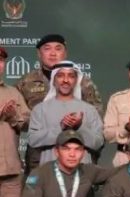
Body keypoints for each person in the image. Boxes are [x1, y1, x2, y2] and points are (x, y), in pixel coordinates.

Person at [16, 34, 103, 172]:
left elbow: (96, 126)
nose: (53, 53)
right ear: (39, 53)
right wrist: (54, 125)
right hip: (40, 156)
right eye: (47, 49)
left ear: (65, 53)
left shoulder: (84, 84)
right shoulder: (25, 82)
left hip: (79, 154)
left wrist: (78, 126)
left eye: (58, 48)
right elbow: (21, 122)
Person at [28, 61, 104, 165]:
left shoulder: (89, 110)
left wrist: (79, 128)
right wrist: (61, 128)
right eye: (60, 76)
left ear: (76, 80)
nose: (66, 80)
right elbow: (33, 140)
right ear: (53, 80)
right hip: (50, 171)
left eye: (71, 76)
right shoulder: (40, 109)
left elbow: (98, 143)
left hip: (82, 171)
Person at [0, 47, 31, 197]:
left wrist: (12, 117)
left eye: (0, 61)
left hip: (9, 170)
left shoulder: (12, 92)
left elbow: (27, 122)